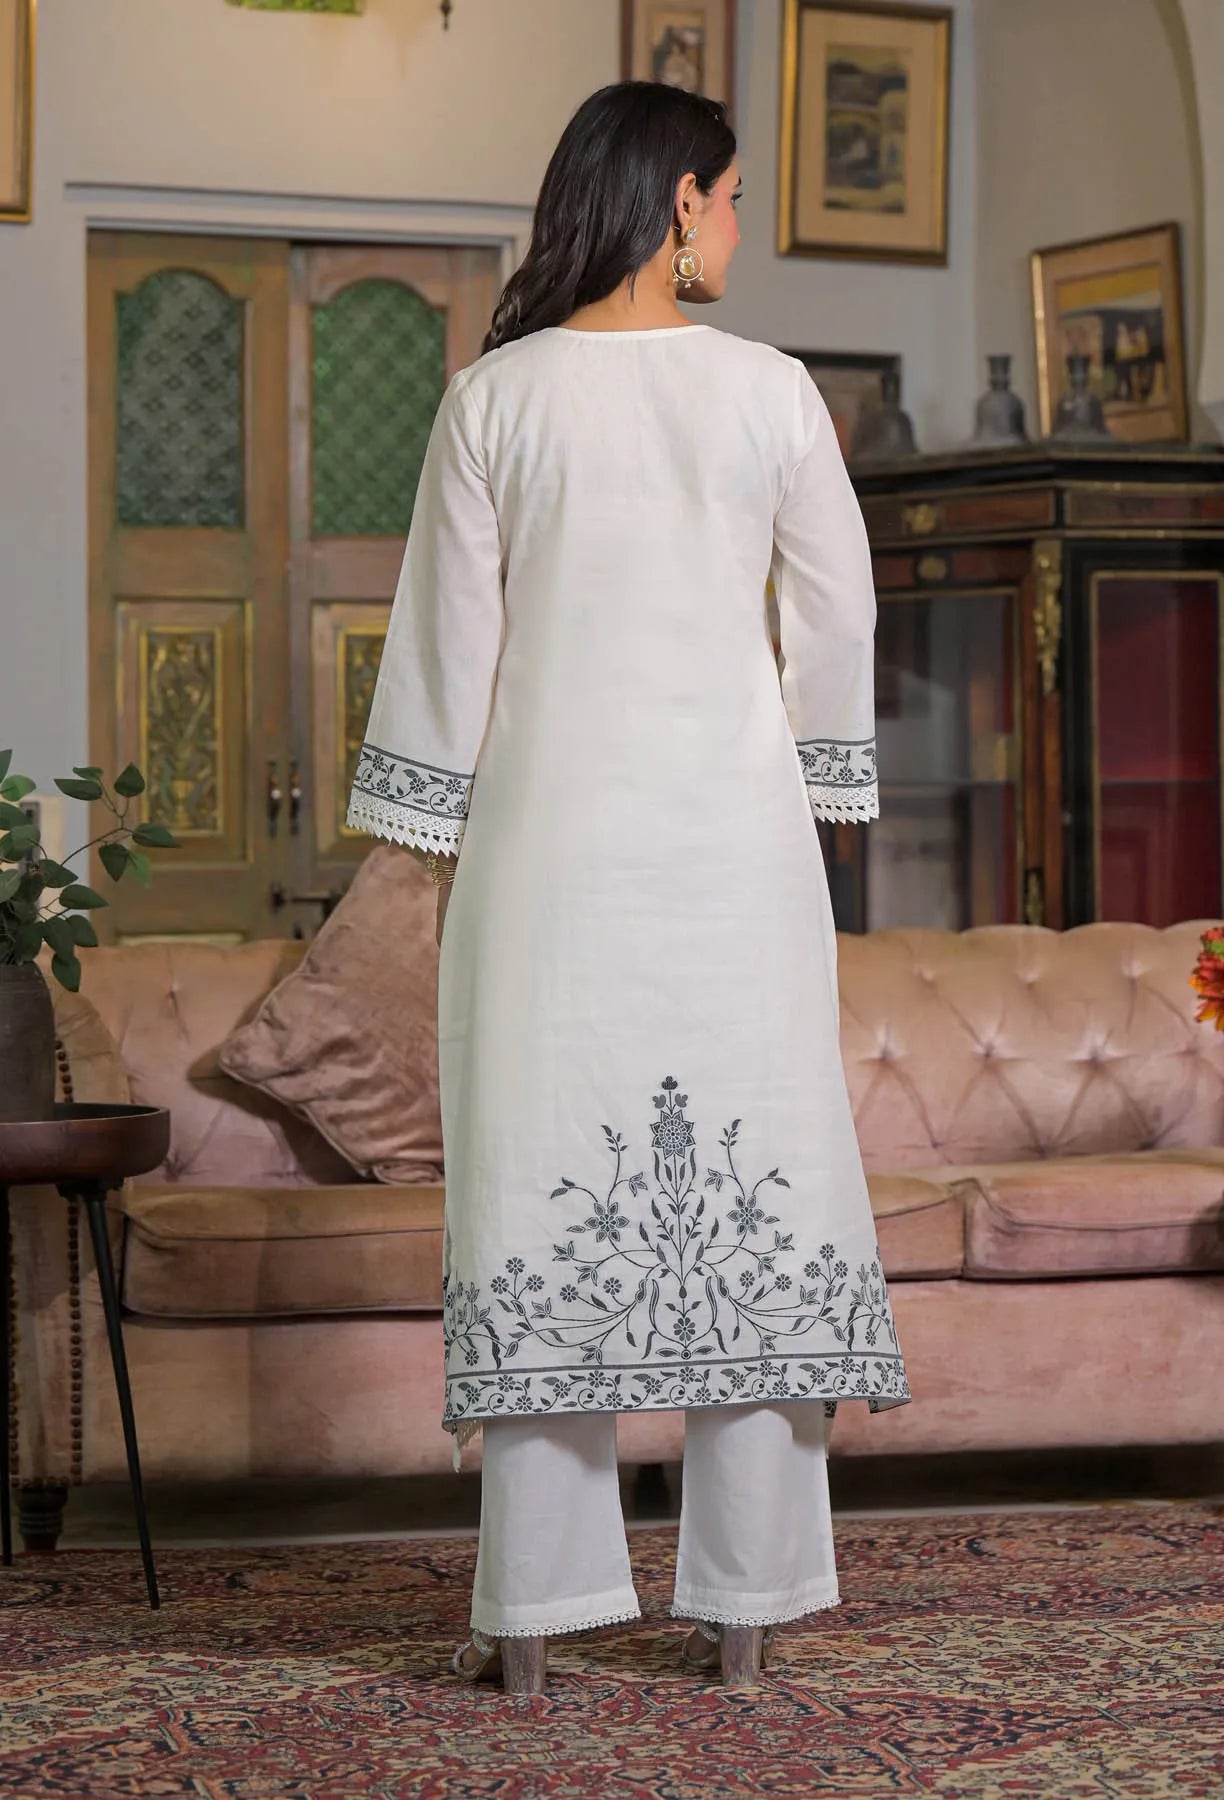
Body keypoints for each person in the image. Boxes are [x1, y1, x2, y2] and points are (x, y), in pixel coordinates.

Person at [345, 78, 911, 1695]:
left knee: (542, 1196)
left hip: (548, 868)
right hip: (736, 858)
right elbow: (838, 618)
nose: (738, 229)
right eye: (729, 200)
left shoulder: (493, 400)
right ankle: (746, 1609)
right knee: (760, 1195)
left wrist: (425, 828)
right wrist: (815, 779)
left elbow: (446, 656)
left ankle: (532, 1622)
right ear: (678, 204)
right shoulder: (773, 394)